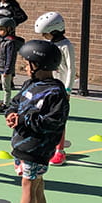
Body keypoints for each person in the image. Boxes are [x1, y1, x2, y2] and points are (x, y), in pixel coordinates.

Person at [2, 39, 69, 203]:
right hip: (22, 145)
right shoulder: (30, 84)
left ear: (39, 64)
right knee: (37, 186)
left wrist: (23, 120)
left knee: (28, 186)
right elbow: (15, 103)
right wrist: (11, 114)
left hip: (37, 148)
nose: (25, 65)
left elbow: (54, 123)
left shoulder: (56, 93)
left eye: (28, 62)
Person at [34, 12, 75, 166]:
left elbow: (71, 69)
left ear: (54, 31)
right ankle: (52, 144)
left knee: (60, 119)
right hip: (49, 86)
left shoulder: (66, 46)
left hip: (61, 88)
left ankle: (60, 151)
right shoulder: (51, 45)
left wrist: (68, 89)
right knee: (45, 116)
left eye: (45, 34)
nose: (43, 36)